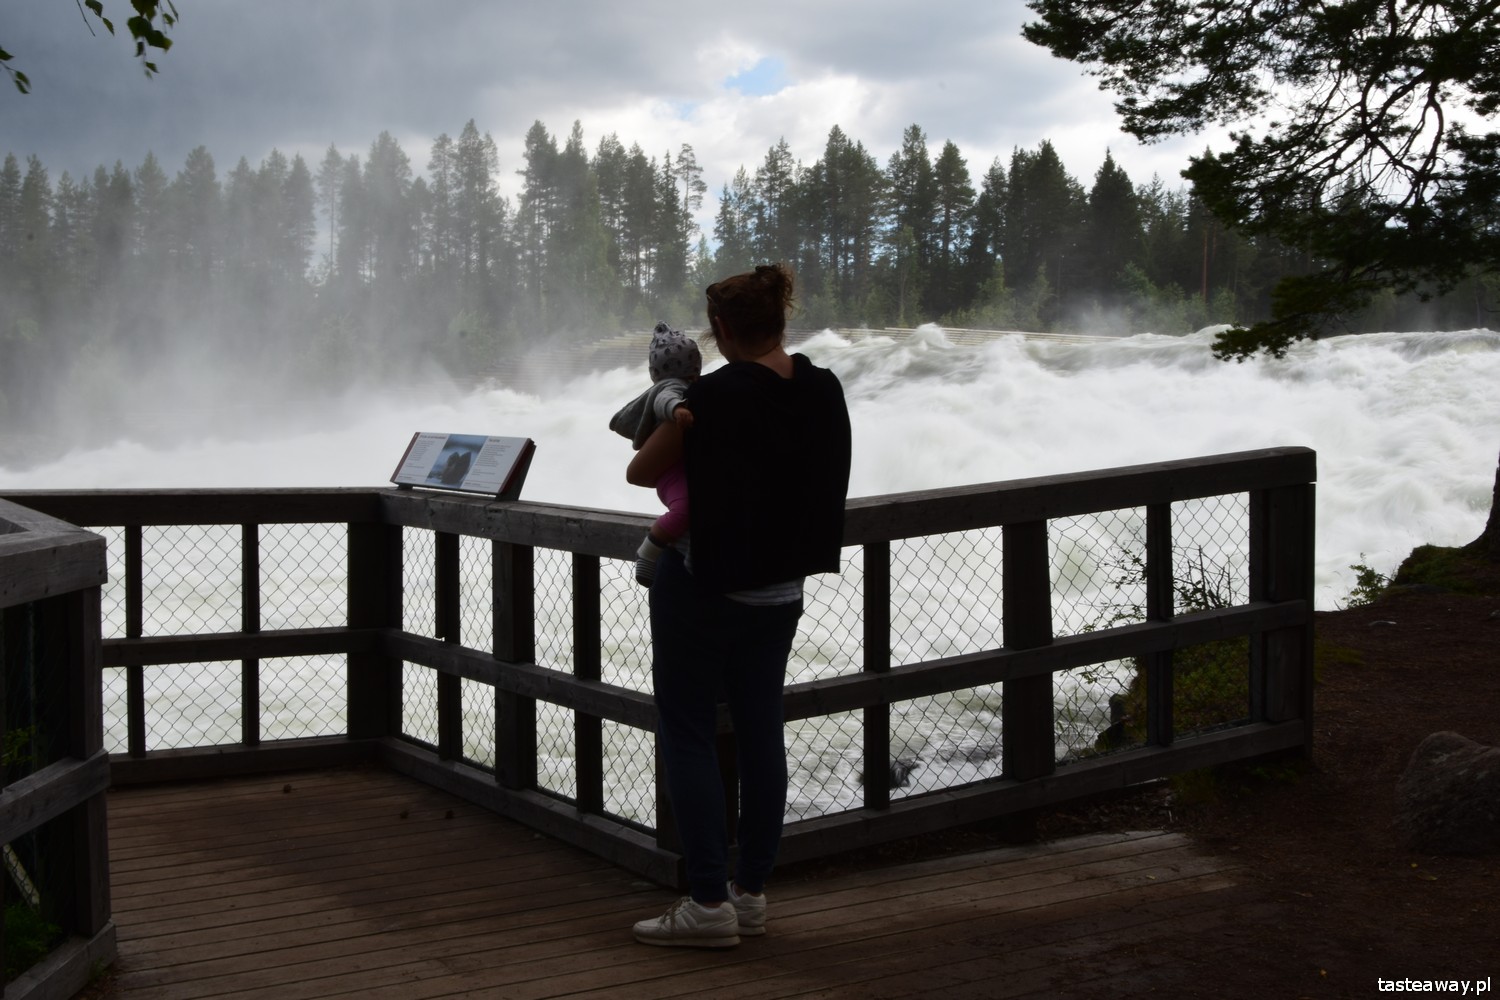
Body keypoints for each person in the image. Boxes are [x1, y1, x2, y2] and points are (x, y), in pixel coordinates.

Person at [625, 263, 852, 948]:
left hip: (703, 585)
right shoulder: (821, 387)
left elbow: (641, 470)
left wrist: (673, 405)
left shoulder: (715, 397)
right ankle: (749, 892)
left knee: (688, 732)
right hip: (781, 589)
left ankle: (705, 905)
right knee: (760, 731)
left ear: (722, 330)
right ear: (780, 320)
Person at [609, 322, 701, 586]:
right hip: (669, 472)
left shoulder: (685, 384)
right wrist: (677, 411)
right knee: (686, 508)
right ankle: (648, 552)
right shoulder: (672, 388)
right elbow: (665, 401)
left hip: (678, 466)